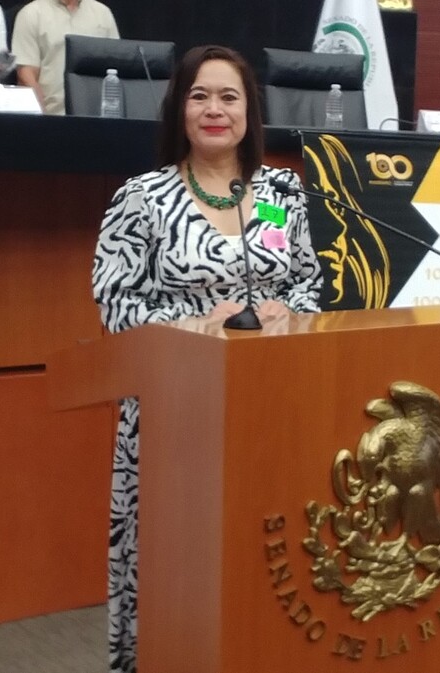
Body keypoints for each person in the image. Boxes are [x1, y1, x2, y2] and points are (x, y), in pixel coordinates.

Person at [92, 44, 321, 673]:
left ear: (250, 111)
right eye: (200, 96)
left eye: (228, 97)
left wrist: (287, 311)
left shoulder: (278, 191)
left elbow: (307, 277)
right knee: (183, 566)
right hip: (178, 415)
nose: (214, 109)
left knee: (270, 560)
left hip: (269, 405)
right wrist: (195, 325)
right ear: (179, 109)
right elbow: (115, 304)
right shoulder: (143, 197)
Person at [11, 0, 118, 114]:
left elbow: (117, 69)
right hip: (54, 118)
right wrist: (43, 119)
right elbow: (26, 75)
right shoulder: (31, 14)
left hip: (99, 119)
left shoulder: (102, 13)